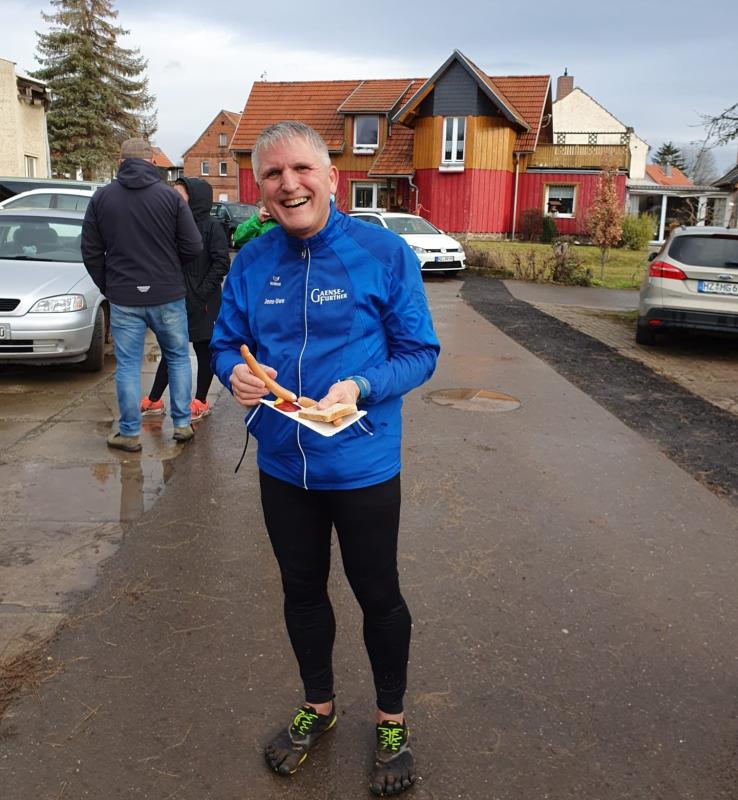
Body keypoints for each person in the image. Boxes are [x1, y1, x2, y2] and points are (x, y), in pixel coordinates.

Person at [210, 121, 440, 796]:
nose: (290, 184)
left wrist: (362, 385)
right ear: (261, 188)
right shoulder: (251, 262)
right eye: (273, 174)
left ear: (332, 177)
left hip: (362, 465)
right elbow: (225, 342)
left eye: (302, 169)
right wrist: (233, 374)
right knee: (301, 591)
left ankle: (391, 720)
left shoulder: (383, 253)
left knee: (378, 594)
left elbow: (420, 353)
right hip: (284, 466)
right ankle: (319, 705)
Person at [82, 138, 202, 452]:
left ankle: (129, 432)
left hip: (124, 296)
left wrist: (108, 286)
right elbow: (193, 246)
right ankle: (182, 424)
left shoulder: (102, 198)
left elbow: (90, 251)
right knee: (178, 357)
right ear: (152, 162)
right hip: (168, 293)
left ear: (120, 162)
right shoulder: (170, 197)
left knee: (128, 365)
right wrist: (169, 270)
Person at [140, 177, 230, 421]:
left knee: (204, 351)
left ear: (195, 198)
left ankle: (200, 401)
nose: (174, 199)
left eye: (180, 195)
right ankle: (155, 399)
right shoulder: (174, 224)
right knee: (172, 349)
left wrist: (200, 292)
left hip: (203, 302)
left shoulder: (212, 227)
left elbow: (222, 263)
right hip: (176, 299)